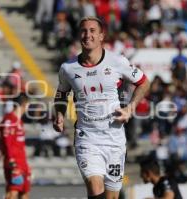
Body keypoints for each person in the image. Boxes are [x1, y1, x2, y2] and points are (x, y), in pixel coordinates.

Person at [53, 16, 150, 199]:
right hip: (87, 137)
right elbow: (61, 94)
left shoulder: (117, 62)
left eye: (92, 31)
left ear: (101, 36)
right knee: (94, 187)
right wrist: (59, 113)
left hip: (114, 138)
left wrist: (130, 108)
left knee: (111, 196)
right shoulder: (68, 68)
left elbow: (144, 83)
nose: (87, 35)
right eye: (83, 30)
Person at [0, 94, 31, 199]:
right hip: (14, 162)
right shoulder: (9, 120)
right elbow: (6, 142)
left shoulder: (20, 122)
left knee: (25, 192)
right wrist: (11, 160)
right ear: (24, 105)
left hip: (22, 162)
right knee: (13, 191)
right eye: (27, 105)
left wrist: (26, 165)